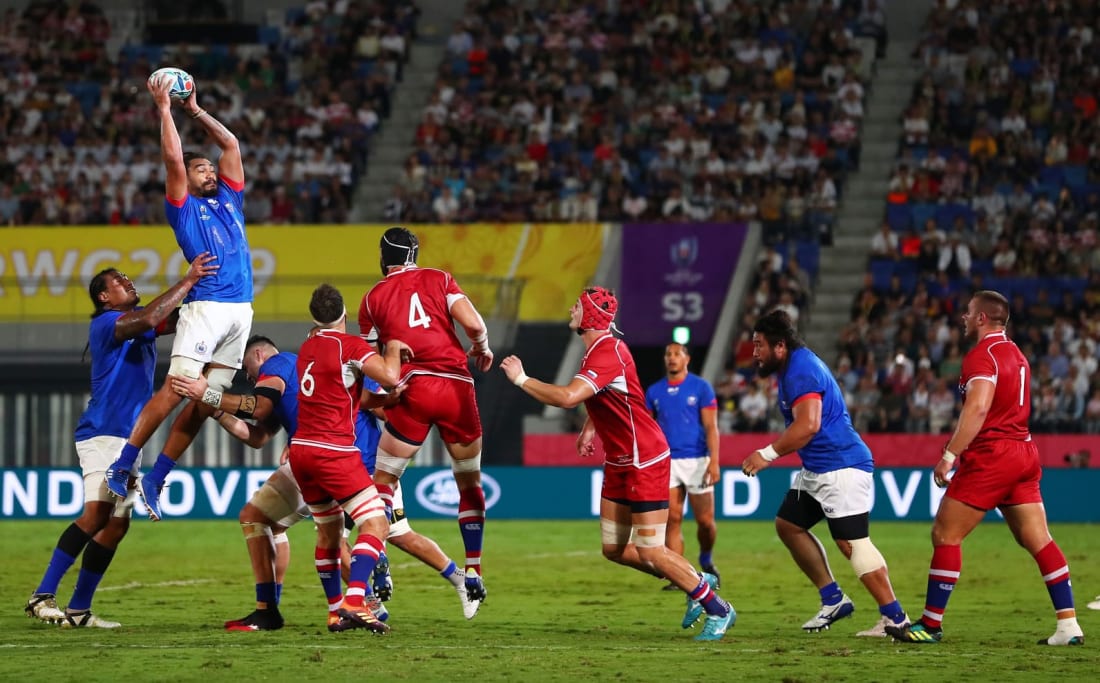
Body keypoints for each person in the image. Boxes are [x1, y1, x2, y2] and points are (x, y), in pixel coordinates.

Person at [171, 335, 480, 631]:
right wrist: (218, 413)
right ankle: (437, 584)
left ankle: (336, 603)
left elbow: (260, 406)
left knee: (330, 534)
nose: (253, 381)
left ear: (258, 356)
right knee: (388, 532)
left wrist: (209, 395)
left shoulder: (279, 365)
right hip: (337, 458)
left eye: (251, 374)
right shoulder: (314, 371)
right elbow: (256, 437)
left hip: (343, 460)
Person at [500, 287, 735, 641]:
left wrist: (521, 378)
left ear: (591, 316)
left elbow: (568, 397)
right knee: (613, 549)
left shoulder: (607, 351)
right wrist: (589, 428)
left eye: (576, 306)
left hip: (645, 458)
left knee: (651, 549)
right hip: (620, 459)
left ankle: (718, 607)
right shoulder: (598, 350)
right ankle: (696, 581)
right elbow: (620, 396)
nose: (570, 309)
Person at [25, 254, 217, 628]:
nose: (128, 282)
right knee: (97, 514)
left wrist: (210, 302)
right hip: (103, 431)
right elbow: (150, 318)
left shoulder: (135, 321)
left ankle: (79, 610)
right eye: (119, 281)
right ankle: (42, 595)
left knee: (116, 525)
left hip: (128, 437)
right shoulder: (107, 323)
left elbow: (172, 320)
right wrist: (189, 280)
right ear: (104, 298)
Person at [886, 291, 1085, 646]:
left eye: (967, 313)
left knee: (945, 534)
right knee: (1038, 540)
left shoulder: (982, 355)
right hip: (1024, 450)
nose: (963, 318)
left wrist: (950, 454)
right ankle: (1068, 625)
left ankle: (930, 625)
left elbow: (977, 409)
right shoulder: (1017, 355)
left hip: (994, 455)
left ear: (982, 319)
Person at [104, 69, 253, 521]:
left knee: (207, 398)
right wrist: (166, 110)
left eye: (209, 168)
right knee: (176, 387)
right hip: (206, 305)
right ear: (186, 180)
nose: (209, 170)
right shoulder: (182, 208)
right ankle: (124, 462)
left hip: (241, 311)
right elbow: (172, 161)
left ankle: (157, 475)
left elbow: (232, 145)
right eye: (200, 168)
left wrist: (195, 110)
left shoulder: (230, 197)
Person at [740, 309, 909, 637]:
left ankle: (896, 618)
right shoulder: (793, 367)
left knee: (852, 543)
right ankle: (833, 599)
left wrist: (767, 454)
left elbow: (809, 425)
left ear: (780, 347)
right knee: (788, 525)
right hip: (819, 468)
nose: (755, 352)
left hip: (840, 466)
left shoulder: (802, 369)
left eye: (760, 345)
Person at [357, 227, 494, 607]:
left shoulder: (370, 300)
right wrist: (480, 348)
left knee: (382, 482)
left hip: (412, 389)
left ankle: (376, 549)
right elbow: (476, 326)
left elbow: (372, 364)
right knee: (469, 483)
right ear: (415, 255)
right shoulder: (439, 277)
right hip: (455, 388)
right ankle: (474, 571)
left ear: (384, 258)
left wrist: (385, 395)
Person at [290, 283, 408, 633]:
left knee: (328, 535)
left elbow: (350, 395)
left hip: (302, 452)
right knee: (376, 524)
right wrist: (394, 348)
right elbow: (389, 375)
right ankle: (356, 600)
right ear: (345, 314)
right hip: (334, 451)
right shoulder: (349, 345)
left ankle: (334, 609)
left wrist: (384, 399)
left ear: (314, 317)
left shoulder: (307, 347)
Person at [644, 343, 722, 589]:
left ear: (687, 358)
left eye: (677, 354)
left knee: (705, 522)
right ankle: (680, 575)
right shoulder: (654, 391)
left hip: (697, 460)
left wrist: (715, 461)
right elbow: (648, 428)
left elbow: (711, 427)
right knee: (673, 519)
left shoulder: (701, 388)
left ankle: (706, 559)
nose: (672, 358)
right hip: (667, 461)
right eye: (668, 354)